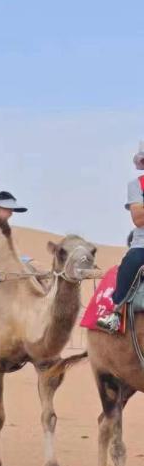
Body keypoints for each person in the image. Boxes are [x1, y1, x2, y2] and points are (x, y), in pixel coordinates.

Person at [97, 143, 144, 333]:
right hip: (142, 245)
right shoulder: (136, 185)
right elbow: (138, 219)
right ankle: (116, 313)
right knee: (130, 263)